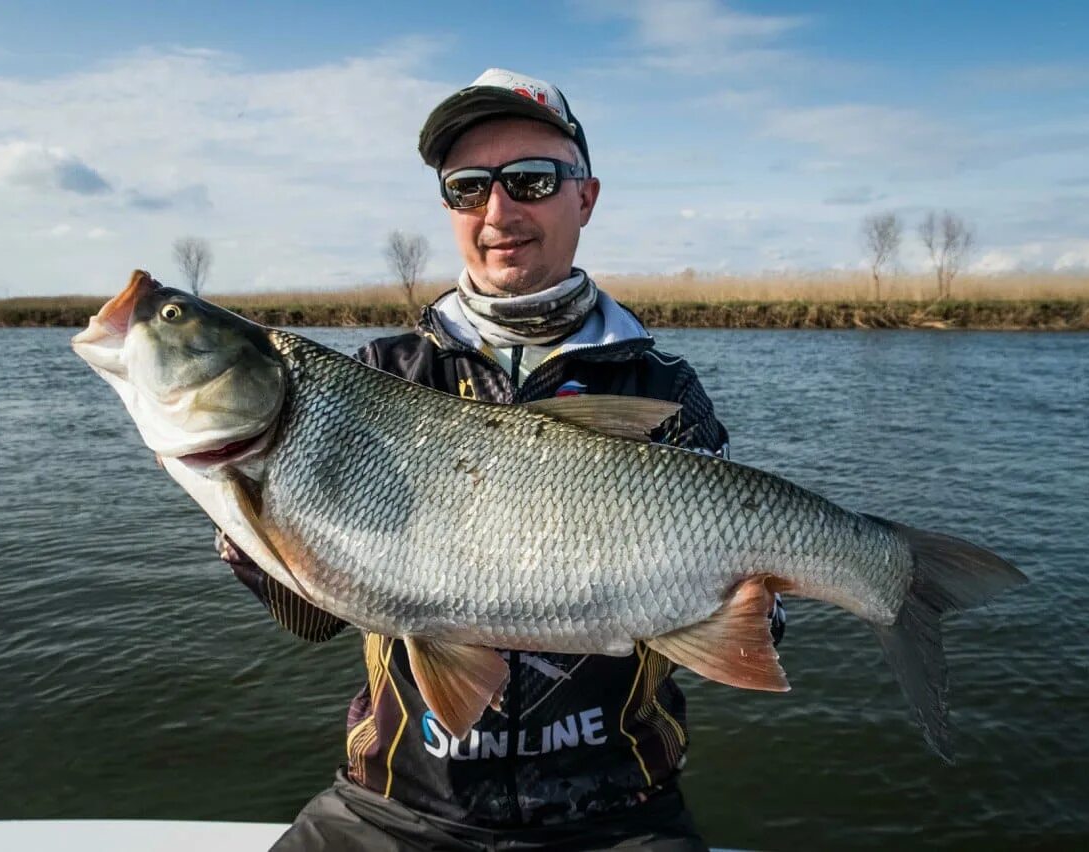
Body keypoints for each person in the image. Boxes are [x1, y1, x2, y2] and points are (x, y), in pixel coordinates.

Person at [218, 68, 786, 851]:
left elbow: (759, 622)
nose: (498, 211)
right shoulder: (380, 376)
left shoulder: (661, 388)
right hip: (394, 801)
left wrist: (753, 606)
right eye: (467, 187)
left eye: (530, 179)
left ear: (584, 197)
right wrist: (253, 535)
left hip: (617, 812)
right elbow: (315, 618)